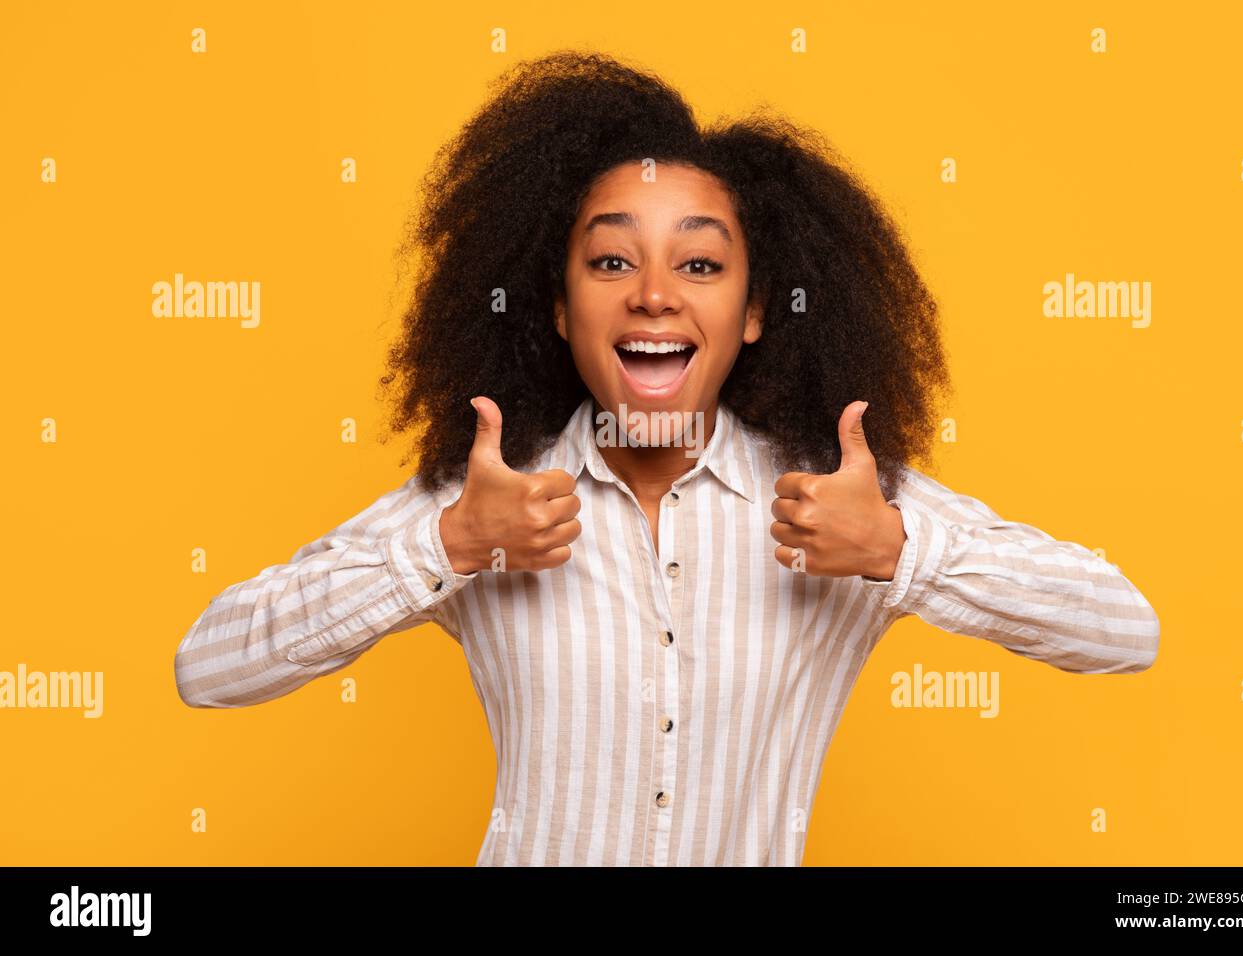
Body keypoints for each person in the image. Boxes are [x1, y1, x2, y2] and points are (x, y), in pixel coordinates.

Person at [173, 50, 1159, 866]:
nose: (652, 294)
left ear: (757, 308)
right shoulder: (488, 504)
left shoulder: (838, 505)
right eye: (611, 260)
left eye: (699, 262)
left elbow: (1124, 627)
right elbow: (208, 665)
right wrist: (448, 542)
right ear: (557, 308)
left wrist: (900, 547)